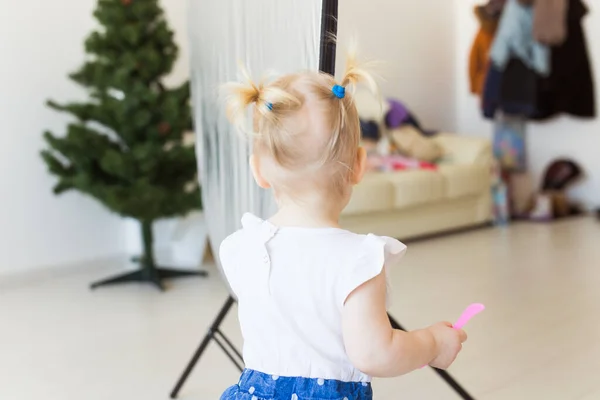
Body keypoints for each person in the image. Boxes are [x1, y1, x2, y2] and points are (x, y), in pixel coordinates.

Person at [218, 51, 468, 400]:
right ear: (359, 165)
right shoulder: (357, 261)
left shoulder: (240, 247)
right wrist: (432, 342)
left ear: (257, 170)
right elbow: (374, 354)